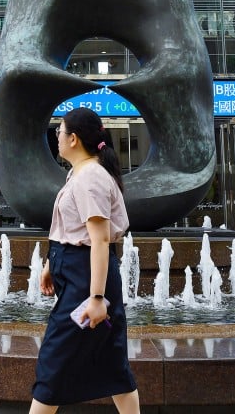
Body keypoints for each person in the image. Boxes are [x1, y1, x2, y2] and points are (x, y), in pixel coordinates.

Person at [30, 107, 140, 414]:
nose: (57, 138)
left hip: (86, 283)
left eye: (60, 132)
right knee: (111, 362)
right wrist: (52, 264)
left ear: (74, 139)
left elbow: (100, 240)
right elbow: (74, 228)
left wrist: (96, 298)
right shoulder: (80, 173)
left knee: (54, 359)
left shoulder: (90, 177)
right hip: (80, 275)